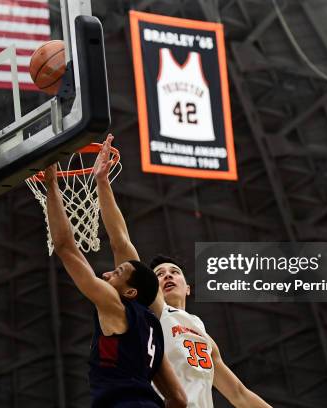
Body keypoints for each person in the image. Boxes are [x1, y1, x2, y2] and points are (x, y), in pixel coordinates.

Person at [94, 134, 272, 408]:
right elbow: (121, 242)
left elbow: (238, 393)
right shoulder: (154, 310)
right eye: (160, 273)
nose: (167, 275)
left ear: (188, 287)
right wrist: (103, 184)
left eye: (174, 271)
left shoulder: (201, 333)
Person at [43, 163, 187, 408]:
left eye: (117, 272)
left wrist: (51, 183)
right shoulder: (153, 328)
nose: (107, 273)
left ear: (131, 292)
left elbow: (66, 246)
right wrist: (102, 181)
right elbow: (179, 399)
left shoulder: (115, 304)